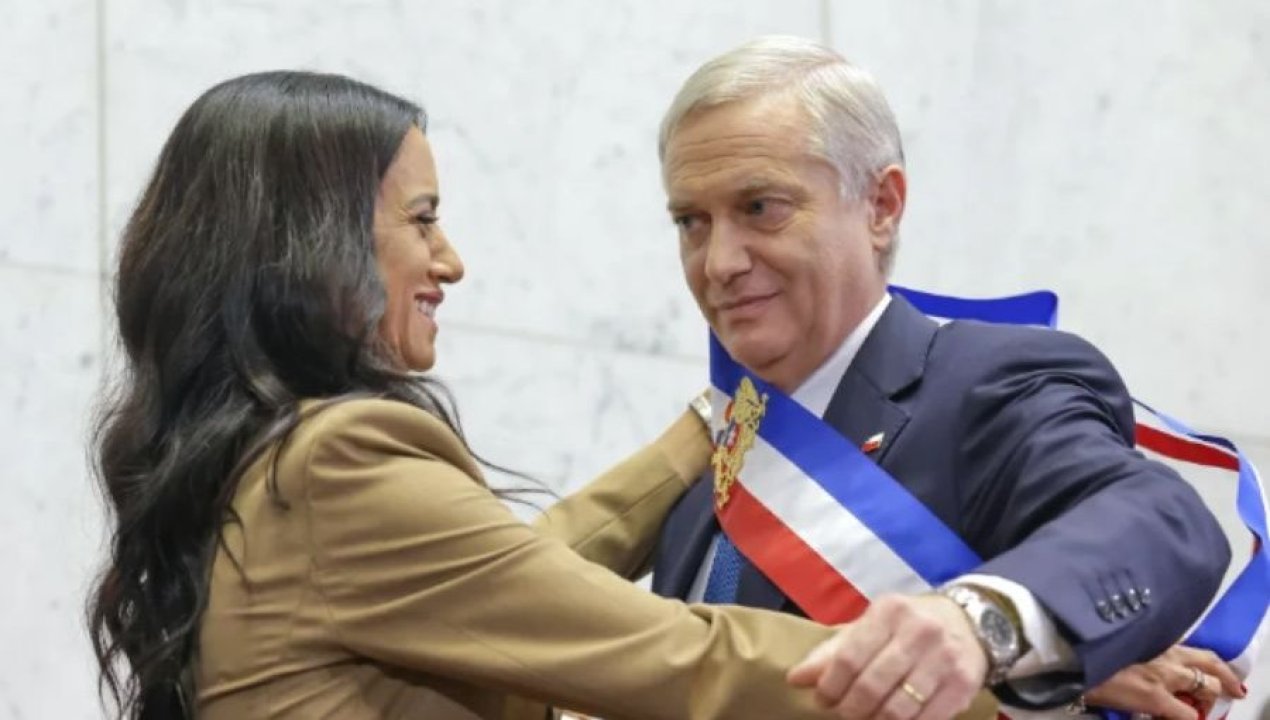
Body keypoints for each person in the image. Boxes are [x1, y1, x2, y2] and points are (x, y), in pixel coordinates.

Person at [85, 71, 1001, 720]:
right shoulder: (335, 463)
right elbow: (675, 654)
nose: (449, 261)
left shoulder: (261, 459)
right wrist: (984, 676)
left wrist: (717, 423)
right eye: (422, 220)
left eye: (758, 209)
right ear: (313, 241)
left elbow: (512, 572)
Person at [650, 36, 1240, 720]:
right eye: (691, 221)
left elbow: (1164, 521)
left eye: (760, 208)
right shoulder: (705, 493)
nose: (719, 262)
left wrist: (981, 625)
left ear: (881, 206)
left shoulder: (984, 386)